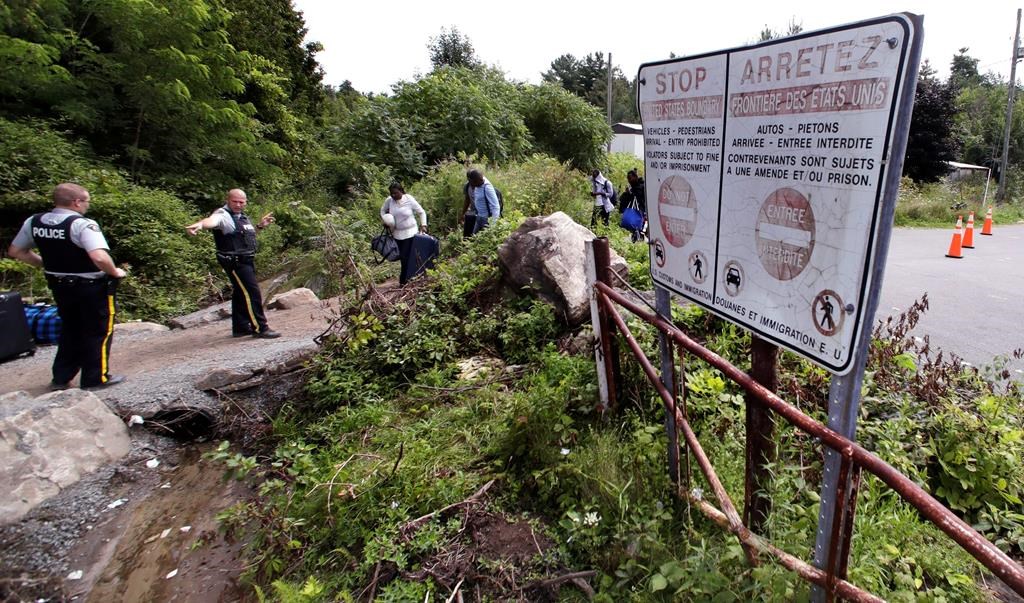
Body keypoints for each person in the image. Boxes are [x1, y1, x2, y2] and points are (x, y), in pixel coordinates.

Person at [7, 182, 127, 389]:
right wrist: (115, 272)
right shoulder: (82, 224)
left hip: (59, 285)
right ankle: (96, 378)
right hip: (91, 286)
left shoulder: (34, 222)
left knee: (71, 328)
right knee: (98, 330)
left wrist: (46, 264)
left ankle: (61, 378)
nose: (87, 206)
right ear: (76, 202)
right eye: (87, 201)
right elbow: (98, 256)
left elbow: (16, 251)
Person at [186, 189, 280, 339]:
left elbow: (245, 237)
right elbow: (212, 221)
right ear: (228, 200)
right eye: (234, 201)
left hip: (245, 259)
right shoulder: (223, 215)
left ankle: (241, 327)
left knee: (240, 293)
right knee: (252, 293)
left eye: (241, 202)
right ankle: (260, 328)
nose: (238, 204)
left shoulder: (241, 217)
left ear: (245, 202)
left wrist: (260, 226)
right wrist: (200, 225)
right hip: (235, 262)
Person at [380, 183, 428, 285]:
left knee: (409, 257)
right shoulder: (389, 201)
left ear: (401, 191)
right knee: (403, 258)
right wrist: (386, 221)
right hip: (397, 234)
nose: (393, 195)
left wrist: (423, 225)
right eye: (391, 193)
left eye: (396, 193)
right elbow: (382, 211)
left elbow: (421, 212)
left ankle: (408, 280)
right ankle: (406, 280)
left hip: (411, 232)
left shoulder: (409, 199)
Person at [460, 169, 500, 237]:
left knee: (484, 239)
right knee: (473, 238)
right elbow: (468, 199)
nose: (473, 187)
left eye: (473, 184)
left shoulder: (487, 187)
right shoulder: (476, 183)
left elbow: (496, 207)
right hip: (479, 217)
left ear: (477, 181)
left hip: (487, 220)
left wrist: (493, 225)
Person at [619, 169, 648, 242]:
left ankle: (639, 239)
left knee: (639, 226)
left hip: (641, 210)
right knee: (634, 227)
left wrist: (632, 193)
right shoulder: (632, 187)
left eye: (630, 178)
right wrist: (628, 193)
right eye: (628, 179)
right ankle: (636, 240)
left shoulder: (642, 187)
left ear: (635, 177)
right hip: (633, 210)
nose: (629, 180)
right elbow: (625, 199)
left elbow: (642, 198)